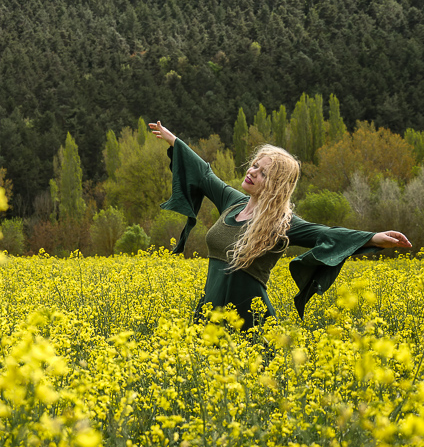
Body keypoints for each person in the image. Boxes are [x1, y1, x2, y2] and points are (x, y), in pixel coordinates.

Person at [149, 121, 412, 330]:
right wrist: (175, 142)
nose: (252, 172)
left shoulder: (281, 225)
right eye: (254, 166)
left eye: (263, 173)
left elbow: (326, 234)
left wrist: (374, 238)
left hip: (250, 323)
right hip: (208, 315)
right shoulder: (232, 201)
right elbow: (205, 174)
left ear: (276, 186)